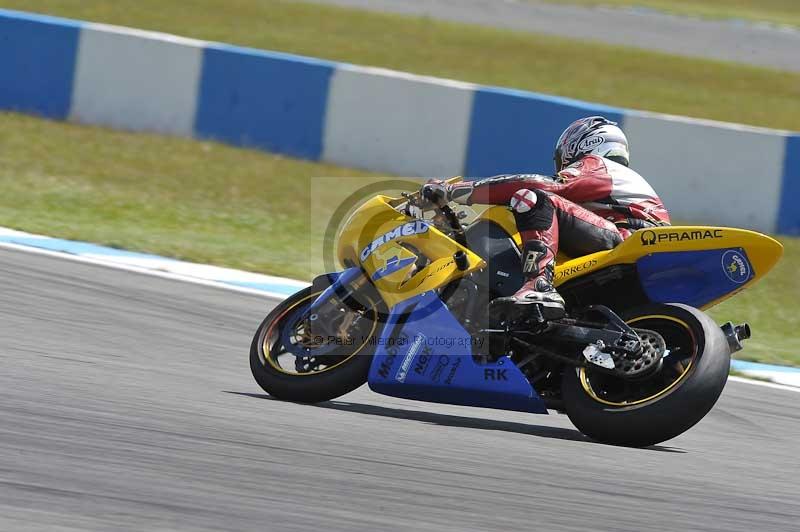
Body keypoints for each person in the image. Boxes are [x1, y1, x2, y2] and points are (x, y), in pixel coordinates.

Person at [423, 116, 670, 320]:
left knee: (531, 198)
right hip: (628, 243)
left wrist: (455, 191)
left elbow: (544, 186)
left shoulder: (599, 164)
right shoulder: (611, 188)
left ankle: (539, 285)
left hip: (629, 236)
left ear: (580, 144)